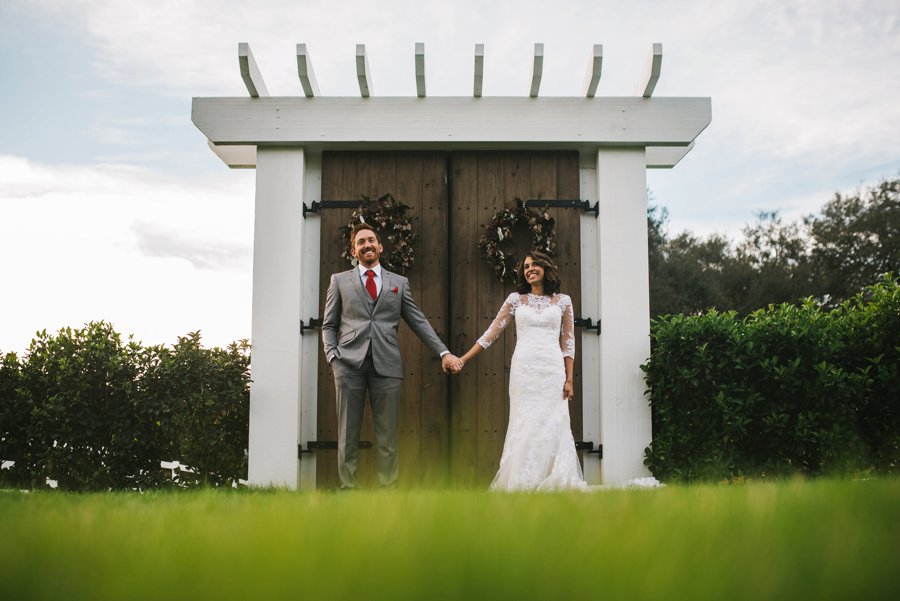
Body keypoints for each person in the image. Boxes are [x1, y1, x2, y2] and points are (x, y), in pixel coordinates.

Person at [322, 223, 462, 489]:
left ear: (380, 247)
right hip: (348, 364)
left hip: (387, 365)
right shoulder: (339, 281)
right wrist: (333, 357)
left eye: (371, 240)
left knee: (387, 434)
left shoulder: (399, 283)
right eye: (361, 242)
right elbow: (328, 325)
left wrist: (443, 352)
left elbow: (419, 322)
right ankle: (348, 489)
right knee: (347, 432)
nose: (367, 245)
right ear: (354, 251)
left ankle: (389, 489)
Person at [458, 251, 588, 491]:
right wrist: (463, 359)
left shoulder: (563, 301)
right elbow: (491, 334)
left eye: (535, 264)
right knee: (525, 421)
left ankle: (554, 476)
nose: (530, 269)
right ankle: (522, 478)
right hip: (524, 370)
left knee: (553, 421)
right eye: (526, 266)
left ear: (546, 268)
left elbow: (568, 343)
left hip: (552, 370)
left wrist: (569, 379)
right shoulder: (515, 300)